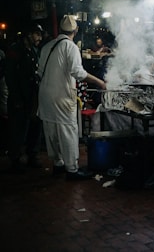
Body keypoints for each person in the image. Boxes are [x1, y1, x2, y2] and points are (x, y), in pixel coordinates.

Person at [37, 15, 106, 181]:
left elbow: (39, 72)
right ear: (75, 31)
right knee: (68, 130)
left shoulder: (47, 46)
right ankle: (72, 170)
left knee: (51, 130)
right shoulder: (70, 47)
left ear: (61, 30)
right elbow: (78, 73)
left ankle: (58, 164)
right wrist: (100, 82)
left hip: (45, 96)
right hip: (61, 97)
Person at [5, 22, 43, 172]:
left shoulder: (34, 50)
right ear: (29, 35)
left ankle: (32, 155)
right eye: (37, 34)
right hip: (19, 96)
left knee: (35, 127)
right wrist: (16, 98)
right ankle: (15, 159)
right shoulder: (15, 50)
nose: (39, 37)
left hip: (33, 96)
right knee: (18, 129)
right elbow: (10, 76)